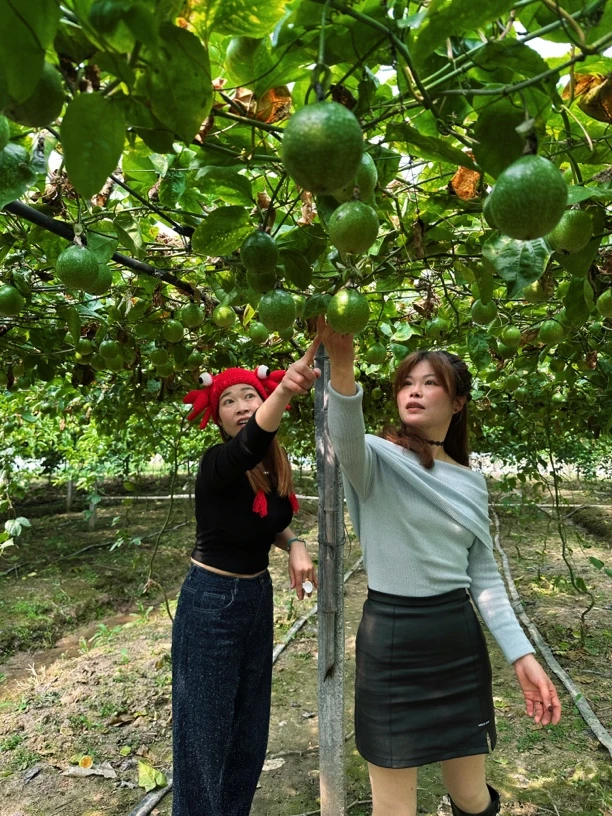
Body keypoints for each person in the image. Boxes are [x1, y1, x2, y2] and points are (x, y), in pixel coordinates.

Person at [317, 317, 562, 816]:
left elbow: (484, 577)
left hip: (455, 639)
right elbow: (343, 430)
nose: (414, 391)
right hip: (391, 639)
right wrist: (342, 366)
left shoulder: (471, 482)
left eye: (430, 383)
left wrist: (522, 655)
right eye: (406, 382)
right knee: (394, 806)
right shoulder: (374, 459)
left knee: (470, 794)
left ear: (458, 402)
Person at [172, 343, 320, 816]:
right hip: (211, 602)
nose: (240, 406)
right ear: (217, 418)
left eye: (248, 396)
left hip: (256, 597)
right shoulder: (219, 461)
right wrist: (286, 389)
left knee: (248, 729)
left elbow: (268, 523)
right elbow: (250, 442)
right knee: (204, 734)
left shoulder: (271, 467)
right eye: (228, 401)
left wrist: (295, 543)